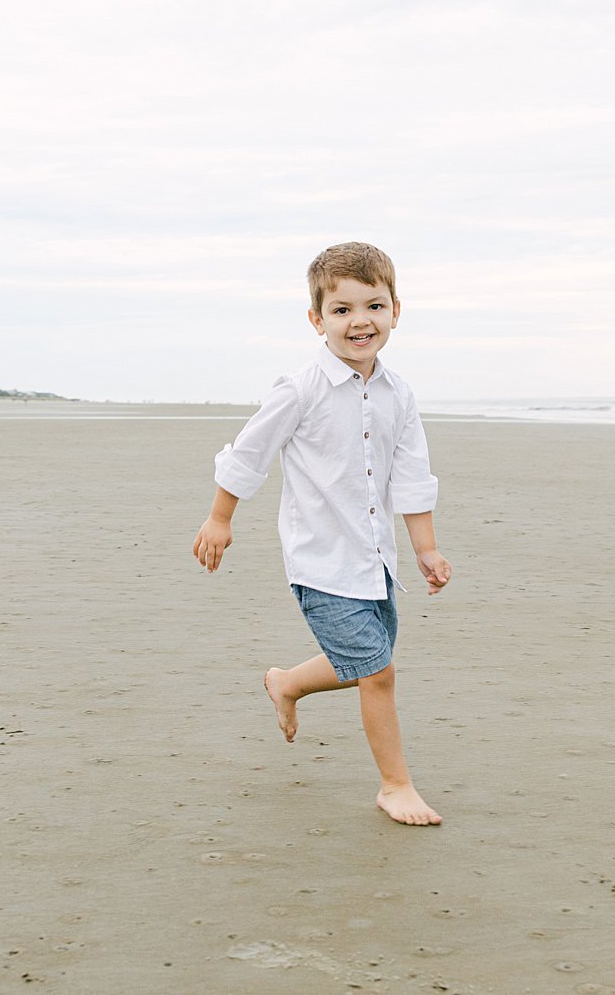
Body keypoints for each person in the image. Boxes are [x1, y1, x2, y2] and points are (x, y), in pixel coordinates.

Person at [192, 241, 453, 826]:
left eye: (374, 306)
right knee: (378, 674)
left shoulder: (398, 394)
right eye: (341, 310)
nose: (359, 321)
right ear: (317, 320)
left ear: (395, 310)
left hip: (374, 558)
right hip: (320, 561)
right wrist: (220, 517)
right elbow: (249, 453)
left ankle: (285, 682)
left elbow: (412, 475)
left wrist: (426, 549)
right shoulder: (301, 388)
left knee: (366, 659)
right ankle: (395, 786)